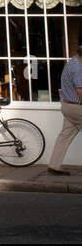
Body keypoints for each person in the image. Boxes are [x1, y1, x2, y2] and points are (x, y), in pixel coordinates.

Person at [46, 43, 82, 175]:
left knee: (65, 136)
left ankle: (54, 166)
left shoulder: (70, 64)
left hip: (67, 106)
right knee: (65, 136)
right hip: (77, 107)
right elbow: (80, 91)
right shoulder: (78, 68)